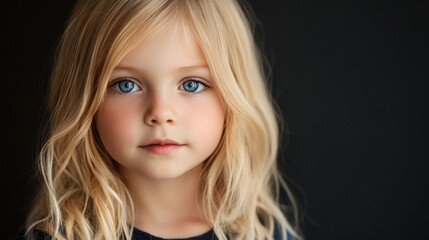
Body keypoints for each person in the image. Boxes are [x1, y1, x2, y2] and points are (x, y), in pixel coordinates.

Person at [24, 0, 302, 239]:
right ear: (84, 101)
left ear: (233, 96)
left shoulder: (264, 234)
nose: (160, 113)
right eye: (126, 85)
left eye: (192, 84)